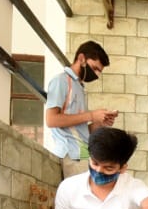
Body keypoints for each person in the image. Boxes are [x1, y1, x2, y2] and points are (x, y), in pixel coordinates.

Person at [44, 40, 117, 178]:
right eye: (95, 68)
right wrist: (91, 115)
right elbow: (51, 119)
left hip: (83, 154)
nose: (96, 75)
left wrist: (99, 123)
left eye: (99, 71)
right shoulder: (61, 81)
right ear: (81, 59)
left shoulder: (79, 87)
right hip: (70, 155)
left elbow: (81, 131)